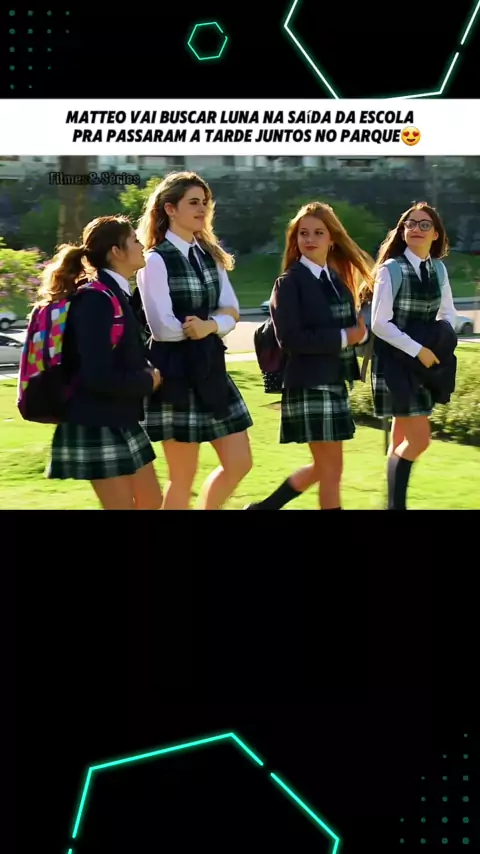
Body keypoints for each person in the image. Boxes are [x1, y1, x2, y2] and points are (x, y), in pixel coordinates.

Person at [136, 171, 253, 510]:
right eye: (193, 203)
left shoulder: (211, 256)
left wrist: (209, 326)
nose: (202, 209)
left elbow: (232, 310)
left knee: (240, 462)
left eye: (205, 202)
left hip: (211, 369)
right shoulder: (154, 260)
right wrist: (203, 328)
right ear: (170, 209)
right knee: (182, 477)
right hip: (175, 374)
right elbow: (162, 328)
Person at [245, 201, 372, 511]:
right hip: (309, 383)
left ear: (332, 239)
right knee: (330, 471)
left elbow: (352, 329)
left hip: (334, 380)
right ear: (295, 238)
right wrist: (346, 337)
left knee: (326, 469)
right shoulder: (289, 283)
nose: (310, 239)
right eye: (303, 233)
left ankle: (263, 508)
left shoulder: (337, 281)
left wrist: (360, 335)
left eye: (318, 232)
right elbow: (290, 338)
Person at [42, 215, 163, 509]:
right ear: (116, 252)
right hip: (94, 420)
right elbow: (96, 374)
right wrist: (147, 381)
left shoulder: (116, 294)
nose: (142, 245)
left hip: (120, 416)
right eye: (134, 240)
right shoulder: (95, 300)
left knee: (151, 500)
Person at [369, 201, 457, 510]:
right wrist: (418, 349)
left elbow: (448, 313)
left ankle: (392, 504)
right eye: (410, 224)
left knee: (400, 441)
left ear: (436, 234)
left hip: (424, 363)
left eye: (424, 224)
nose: (416, 229)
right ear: (402, 231)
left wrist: (439, 342)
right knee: (419, 441)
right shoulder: (390, 270)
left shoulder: (438, 269)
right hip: (395, 364)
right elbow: (379, 323)